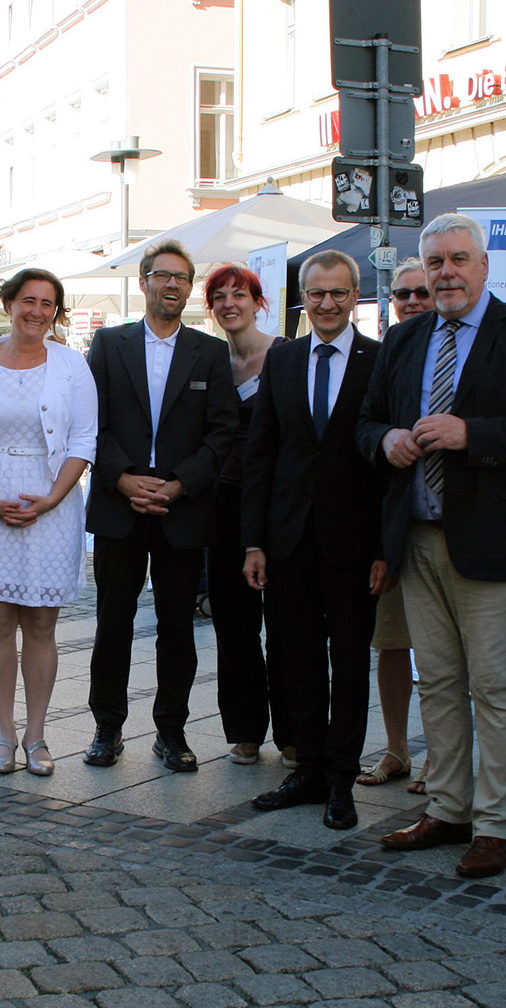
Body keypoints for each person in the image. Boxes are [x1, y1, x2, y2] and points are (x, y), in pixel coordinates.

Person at [356, 214, 506, 878]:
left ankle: (496, 823)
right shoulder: (402, 338)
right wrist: (384, 441)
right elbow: (366, 421)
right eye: (434, 262)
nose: (445, 272)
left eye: (458, 258)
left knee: (498, 685)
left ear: (484, 267)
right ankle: (448, 807)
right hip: (417, 538)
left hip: (494, 541)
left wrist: (469, 435)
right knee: (441, 683)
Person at [243, 250, 385, 830]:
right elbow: (261, 455)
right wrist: (253, 541)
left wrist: (384, 547)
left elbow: (387, 465)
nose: (327, 304)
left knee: (349, 661)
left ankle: (341, 779)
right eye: (317, 294)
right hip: (288, 539)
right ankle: (305, 768)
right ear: (302, 298)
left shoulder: (382, 360)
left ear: (355, 296)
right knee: (294, 656)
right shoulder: (283, 361)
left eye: (339, 293)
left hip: (355, 543)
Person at [83, 239, 237, 772]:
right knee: (113, 624)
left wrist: (178, 485)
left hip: (182, 509)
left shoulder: (210, 352)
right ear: (145, 280)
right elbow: (90, 424)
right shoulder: (108, 344)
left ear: (190, 289)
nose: (172, 285)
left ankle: (171, 733)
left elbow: (223, 432)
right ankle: (107, 728)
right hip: (118, 506)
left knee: (178, 629)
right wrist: (123, 479)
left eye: (182, 278)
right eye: (163, 276)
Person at [0, 269, 96, 777]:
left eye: (47, 304)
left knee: (40, 624)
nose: (37, 311)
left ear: (56, 312)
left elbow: (83, 439)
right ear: (8, 304)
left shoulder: (72, 365)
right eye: (28, 301)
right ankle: (4, 733)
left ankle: (36, 735)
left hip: (51, 504)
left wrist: (53, 498)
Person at [201, 265, 288, 767]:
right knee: (233, 627)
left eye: (240, 294)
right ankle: (246, 730)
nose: (229, 303)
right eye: (219, 296)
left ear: (260, 302)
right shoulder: (210, 362)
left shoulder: (284, 355)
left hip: (276, 508)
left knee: (284, 626)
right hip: (223, 506)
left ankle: (294, 732)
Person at [365, 258, 430, 795]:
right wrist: (385, 437)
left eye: (422, 294)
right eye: (403, 295)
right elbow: (367, 427)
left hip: (445, 527)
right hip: (392, 526)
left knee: (439, 653)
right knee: (391, 644)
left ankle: (441, 753)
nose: (411, 302)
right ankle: (397, 749)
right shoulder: (388, 352)